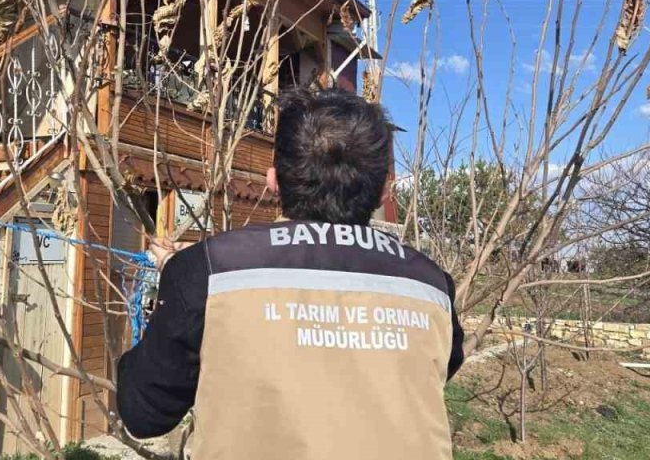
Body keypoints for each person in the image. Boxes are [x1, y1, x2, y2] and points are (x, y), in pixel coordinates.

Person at [116, 88, 465, 459]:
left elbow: (144, 412)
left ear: (274, 181)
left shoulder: (207, 271)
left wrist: (180, 283)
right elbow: (438, 368)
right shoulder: (432, 284)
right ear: (383, 192)